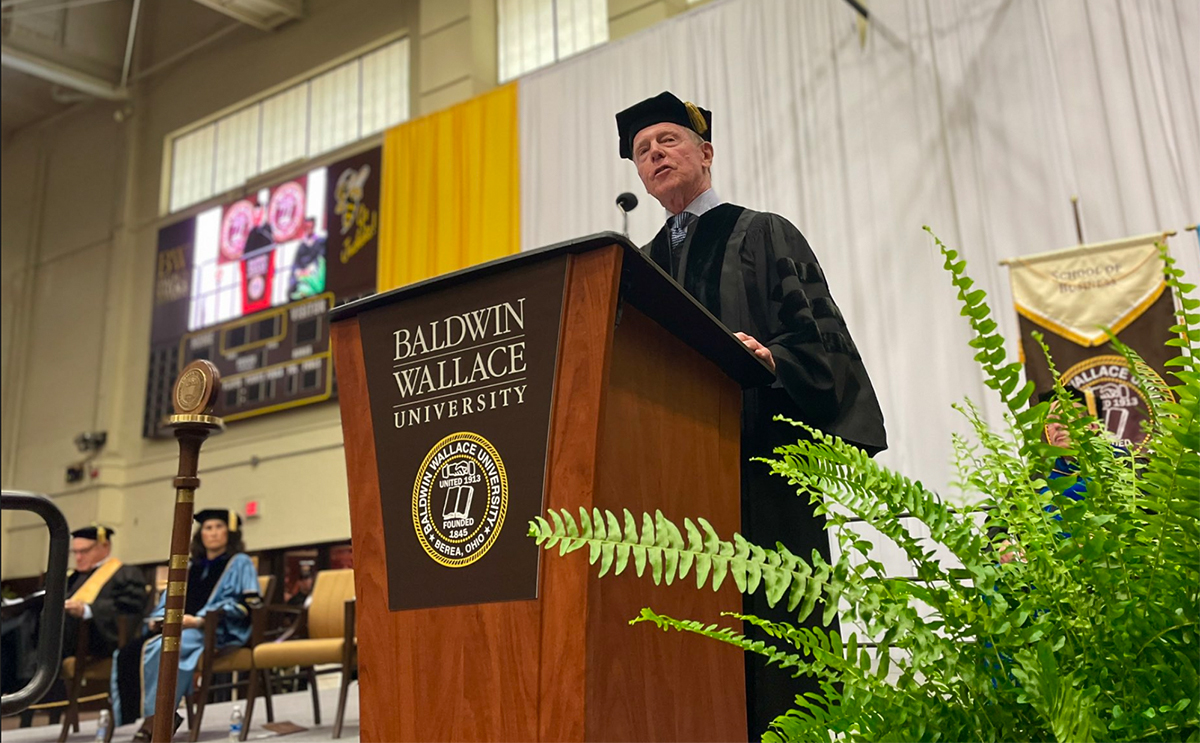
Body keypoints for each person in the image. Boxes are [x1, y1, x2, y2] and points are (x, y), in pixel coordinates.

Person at [616, 92, 888, 738]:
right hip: (674, 495)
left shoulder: (762, 234)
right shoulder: (641, 267)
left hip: (764, 477)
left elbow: (823, 345)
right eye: (641, 150)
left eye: (668, 141)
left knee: (782, 660)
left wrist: (770, 357)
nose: (654, 153)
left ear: (705, 153)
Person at [111, 510, 259, 741]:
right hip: (181, 627)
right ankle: (152, 715)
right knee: (127, 653)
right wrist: (160, 618)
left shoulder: (240, 562)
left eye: (219, 527)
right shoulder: (190, 566)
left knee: (166, 648)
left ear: (230, 532)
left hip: (213, 630)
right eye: (208, 528)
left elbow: (245, 603)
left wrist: (199, 620)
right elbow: (168, 599)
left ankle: (158, 719)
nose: (213, 533)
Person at [1, 525, 147, 726]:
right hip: (58, 638)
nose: (78, 557)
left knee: (22, 634)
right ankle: (17, 686)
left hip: (96, 639)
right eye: (75, 552)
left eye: (84, 551)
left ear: (104, 547)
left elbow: (129, 611)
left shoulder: (125, 574)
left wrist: (87, 611)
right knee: (14, 628)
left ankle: (22, 682)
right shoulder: (72, 576)